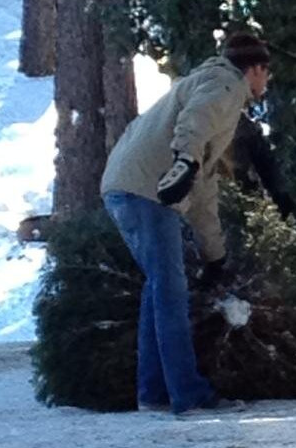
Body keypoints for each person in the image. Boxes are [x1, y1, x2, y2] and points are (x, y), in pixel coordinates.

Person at [101, 32, 271, 413]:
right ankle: (187, 394)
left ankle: (154, 393)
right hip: (149, 187)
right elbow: (194, 126)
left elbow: (203, 188)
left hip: (125, 185)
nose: (267, 84)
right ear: (255, 69)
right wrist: (184, 161)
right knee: (170, 293)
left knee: (158, 289)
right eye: (266, 74)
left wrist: (215, 256)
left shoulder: (210, 83)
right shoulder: (227, 83)